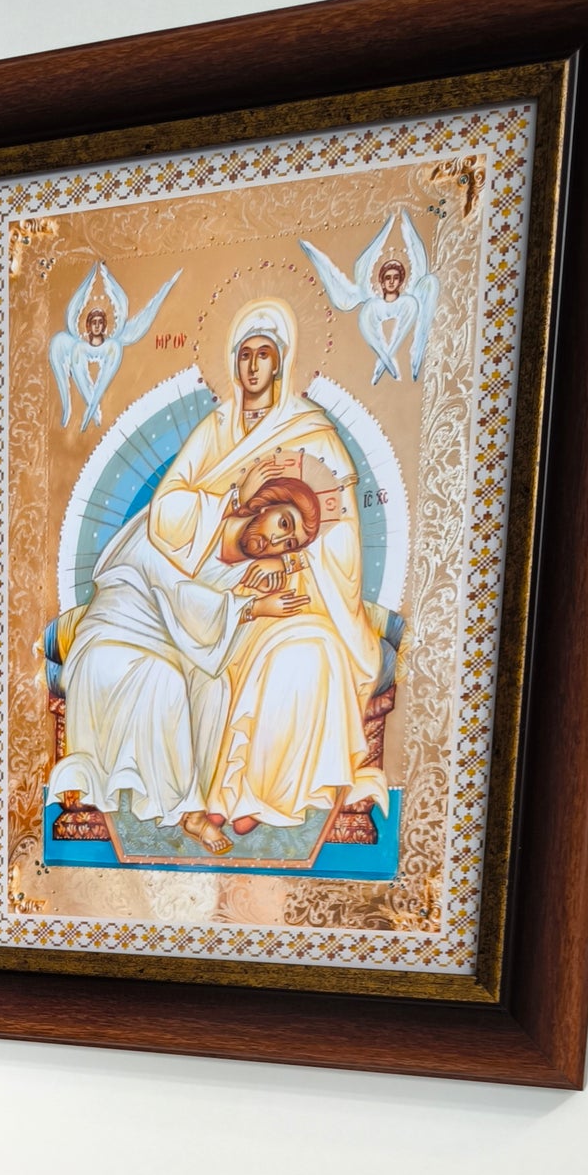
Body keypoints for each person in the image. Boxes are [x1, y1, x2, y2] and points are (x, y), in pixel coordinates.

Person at [149, 301, 386, 842]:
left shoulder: (314, 434)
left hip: (307, 594)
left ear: (281, 362)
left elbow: (342, 539)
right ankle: (226, 791)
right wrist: (234, 498)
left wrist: (294, 556)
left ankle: (264, 795)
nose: (253, 366)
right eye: (245, 355)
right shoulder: (214, 430)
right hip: (227, 588)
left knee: (312, 655)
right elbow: (166, 510)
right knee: (231, 662)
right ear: (233, 362)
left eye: (264, 355)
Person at [47, 476, 323, 847]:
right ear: (264, 504)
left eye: (288, 542)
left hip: (169, 642)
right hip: (118, 629)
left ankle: (198, 804)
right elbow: (172, 589)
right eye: (283, 523)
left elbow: (205, 635)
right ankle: (186, 809)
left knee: (214, 686)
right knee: (166, 680)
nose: (276, 540)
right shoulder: (190, 518)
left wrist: (282, 564)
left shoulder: (249, 566)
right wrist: (251, 607)